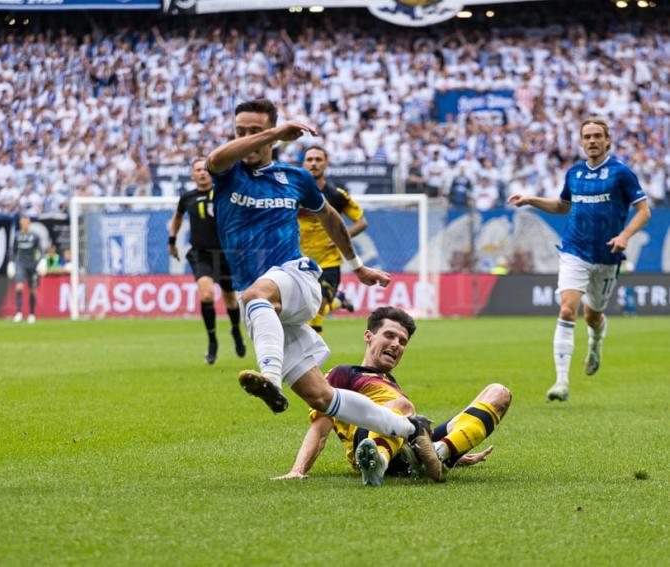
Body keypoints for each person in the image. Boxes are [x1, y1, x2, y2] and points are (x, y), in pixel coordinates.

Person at [206, 98, 433, 449]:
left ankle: (269, 379)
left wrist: (356, 267)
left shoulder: (295, 178)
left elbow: (329, 216)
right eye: (242, 132)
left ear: (273, 139)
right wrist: (273, 132)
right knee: (322, 397)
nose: (249, 138)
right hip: (266, 305)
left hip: (296, 277)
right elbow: (215, 159)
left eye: (257, 131)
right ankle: (407, 429)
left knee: (255, 295)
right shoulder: (228, 174)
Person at [277, 306, 512, 486]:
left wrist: (458, 451)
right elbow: (320, 427)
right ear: (368, 336)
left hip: (411, 443)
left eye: (402, 341)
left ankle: (440, 452)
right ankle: (378, 461)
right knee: (403, 407)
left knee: (499, 393)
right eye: (389, 336)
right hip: (367, 443)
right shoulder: (343, 373)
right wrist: (298, 470)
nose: (396, 345)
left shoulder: (390, 383)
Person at [508, 118, 651, 402]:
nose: (592, 141)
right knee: (566, 310)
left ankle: (595, 343)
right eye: (587, 136)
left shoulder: (621, 173)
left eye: (598, 136)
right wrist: (531, 199)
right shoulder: (574, 173)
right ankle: (561, 382)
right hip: (575, 251)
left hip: (608, 256)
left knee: (593, 315)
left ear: (608, 140)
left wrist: (624, 236)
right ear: (581, 141)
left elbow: (644, 211)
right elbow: (563, 206)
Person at [168, 158, 246, 364]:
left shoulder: (224, 193)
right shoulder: (187, 198)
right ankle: (212, 341)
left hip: (226, 253)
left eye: (205, 169)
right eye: (197, 170)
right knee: (206, 293)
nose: (202, 173)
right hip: (201, 254)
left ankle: (236, 331)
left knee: (230, 299)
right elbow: (177, 218)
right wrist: (172, 241)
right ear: (192, 175)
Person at [299, 146, 366, 334]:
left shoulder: (336, 195)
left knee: (317, 308)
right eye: (309, 159)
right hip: (299, 260)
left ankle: (313, 359)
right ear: (303, 164)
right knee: (304, 310)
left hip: (328, 262)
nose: (313, 163)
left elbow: (361, 222)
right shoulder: (294, 194)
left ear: (326, 163)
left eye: (318, 159)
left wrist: (341, 237)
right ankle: (339, 301)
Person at [9, 215, 42, 324]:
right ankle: (19, 313)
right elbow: (13, 251)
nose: (25, 224)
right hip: (20, 264)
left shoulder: (35, 236)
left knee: (32, 290)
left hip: (32, 265)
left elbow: (40, 250)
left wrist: (41, 261)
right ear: (20, 223)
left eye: (27, 222)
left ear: (29, 223)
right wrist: (12, 262)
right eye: (23, 222)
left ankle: (32, 314)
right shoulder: (17, 236)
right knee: (19, 287)